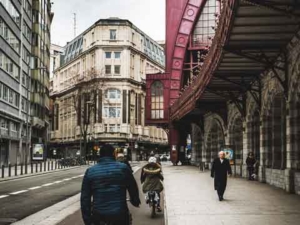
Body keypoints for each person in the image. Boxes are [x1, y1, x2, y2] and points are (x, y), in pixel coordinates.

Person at [81, 144, 141, 225]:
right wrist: (135, 201)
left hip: (99, 215)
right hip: (120, 214)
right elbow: (132, 187)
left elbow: (85, 198)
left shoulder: (90, 171)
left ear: (100, 155)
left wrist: (87, 220)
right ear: (114, 154)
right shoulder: (123, 168)